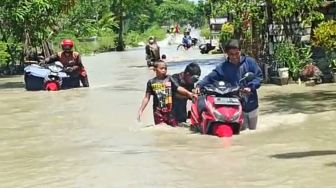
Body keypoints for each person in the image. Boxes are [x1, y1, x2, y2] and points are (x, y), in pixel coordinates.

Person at [195, 39, 263, 130]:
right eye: (231, 54)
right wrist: (199, 85)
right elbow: (210, 78)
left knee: (252, 132)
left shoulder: (250, 62)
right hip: (235, 106)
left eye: (236, 54)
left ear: (240, 51)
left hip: (252, 103)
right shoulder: (223, 67)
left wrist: (250, 87)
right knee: (240, 132)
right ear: (227, 54)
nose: (234, 57)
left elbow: (259, 77)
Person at [137, 61, 196, 127]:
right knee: (160, 128)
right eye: (161, 68)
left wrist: (189, 94)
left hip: (170, 111)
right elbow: (146, 98)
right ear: (154, 69)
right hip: (158, 112)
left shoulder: (169, 79)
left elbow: (178, 88)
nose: (164, 70)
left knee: (174, 128)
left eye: (165, 68)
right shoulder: (151, 82)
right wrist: (140, 110)